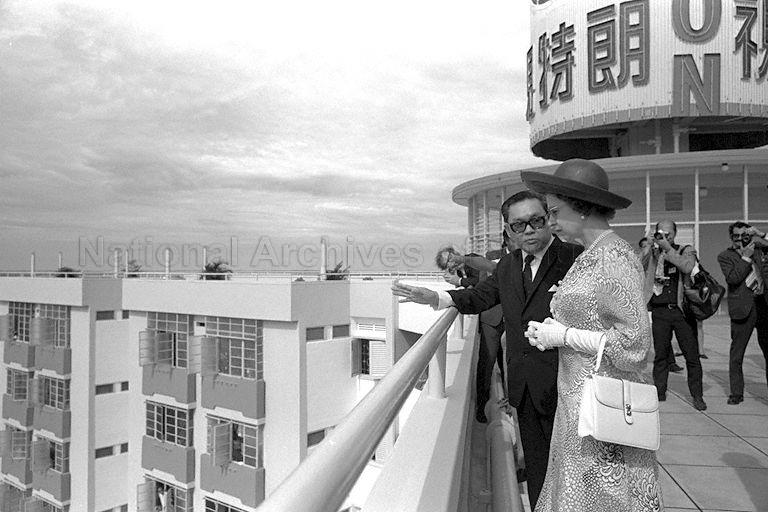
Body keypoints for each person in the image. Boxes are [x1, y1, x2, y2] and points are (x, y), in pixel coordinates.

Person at [392, 190, 582, 509]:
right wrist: (439, 298)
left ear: (548, 220)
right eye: (519, 225)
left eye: (536, 220)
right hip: (524, 388)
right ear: (508, 231)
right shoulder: (507, 266)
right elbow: (480, 297)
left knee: (574, 476)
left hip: (568, 388)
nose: (530, 230)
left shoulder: (575, 260)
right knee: (538, 472)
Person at [520, 158, 663, 511]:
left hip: (601, 410)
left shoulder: (614, 256)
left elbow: (634, 344)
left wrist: (564, 336)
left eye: (554, 211)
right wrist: (553, 330)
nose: (550, 222)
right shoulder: (591, 254)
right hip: (576, 404)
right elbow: (594, 319)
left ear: (582, 207)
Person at [640, 220, 706, 410]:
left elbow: (687, 267)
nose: (664, 238)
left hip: (681, 311)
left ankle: (697, 395)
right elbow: (639, 265)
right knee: (661, 355)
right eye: (661, 234)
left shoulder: (685, 249)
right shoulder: (654, 252)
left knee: (691, 356)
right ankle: (659, 391)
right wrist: (648, 246)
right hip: (660, 311)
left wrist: (668, 248)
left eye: (668, 234)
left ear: (675, 234)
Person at [717, 222, 768, 405]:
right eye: (736, 236)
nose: (740, 239)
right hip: (742, 308)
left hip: (763, 305)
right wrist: (745, 258)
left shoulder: (759, 250)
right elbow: (733, 278)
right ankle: (736, 393)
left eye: (744, 236)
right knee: (737, 354)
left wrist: (760, 234)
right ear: (731, 237)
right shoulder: (725, 256)